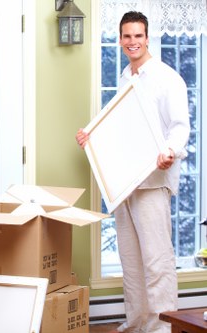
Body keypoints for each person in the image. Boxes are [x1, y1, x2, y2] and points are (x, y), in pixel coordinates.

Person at [76, 11, 190, 333]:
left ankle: (162, 328)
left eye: (138, 36)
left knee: (157, 261)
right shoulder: (126, 76)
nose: (132, 42)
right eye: (126, 36)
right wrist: (91, 136)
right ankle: (138, 323)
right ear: (121, 39)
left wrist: (170, 151)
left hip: (152, 183)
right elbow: (124, 128)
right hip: (125, 184)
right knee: (131, 261)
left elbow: (180, 127)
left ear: (147, 37)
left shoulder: (168, 78)